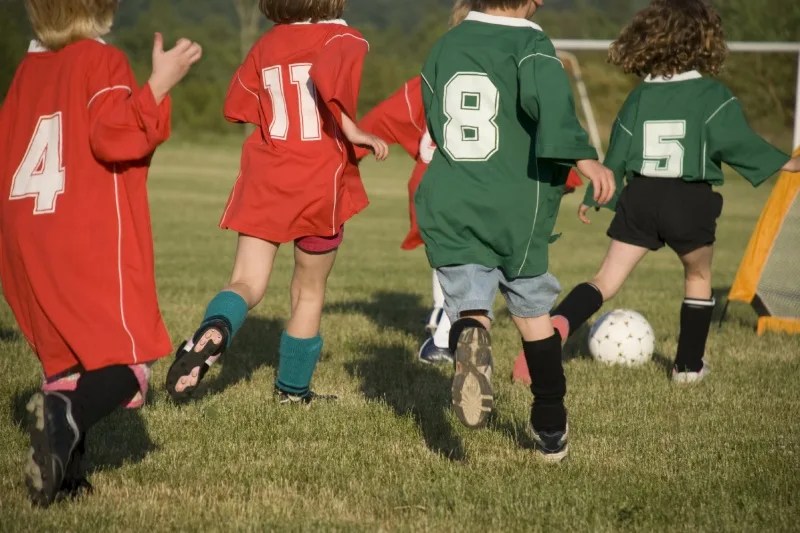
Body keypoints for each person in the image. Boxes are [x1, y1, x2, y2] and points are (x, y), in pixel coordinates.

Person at [0, 0, 202, 507]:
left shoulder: (28, 71)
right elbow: (114, 137)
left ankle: (66, 479)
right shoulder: (99, 60)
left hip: (26, 237)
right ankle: (63, 414)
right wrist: (158, 86)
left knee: (69, 361)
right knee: (127, 362)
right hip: (83, 233)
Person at [548, 0, 800, 384]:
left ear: (646, 41)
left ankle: (554, 332)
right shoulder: (713, 95)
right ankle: (687, 366)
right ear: (704, 41)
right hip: (689, 200)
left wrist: (595, 196)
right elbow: (739, 144)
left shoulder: (638, 97)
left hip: (642, 197)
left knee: (605, 280)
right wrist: (786, 162)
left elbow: (616, 155)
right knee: (697, 277)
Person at [416, 0, 615, 461]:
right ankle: (548, 421)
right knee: (532, 316)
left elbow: (433, 114)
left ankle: (469, 333)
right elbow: (551, 110)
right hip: (515, 203)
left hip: (451, 196)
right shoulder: (531, 43)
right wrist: (584, 158)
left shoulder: (446, 45)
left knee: (470, 302)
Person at [166, 0, 388, 403]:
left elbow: (239, 107)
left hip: (265, 178)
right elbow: (329, 79)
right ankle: (292, 390)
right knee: (308, 289)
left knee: (247, 281)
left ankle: (213, 328)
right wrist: (353, 129)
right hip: (321, 184)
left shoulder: (265, 45)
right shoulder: (343, 36)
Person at [359, 0, 584, 365]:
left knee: (455, 260)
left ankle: (450, 329)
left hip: (442, 186)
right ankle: (453, 332)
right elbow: (543, 124)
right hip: (500, 187)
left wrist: (349, 148)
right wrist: (571, 172)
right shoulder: (523, 58)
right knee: (509, 274)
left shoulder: (438, 64)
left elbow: (382, 119)